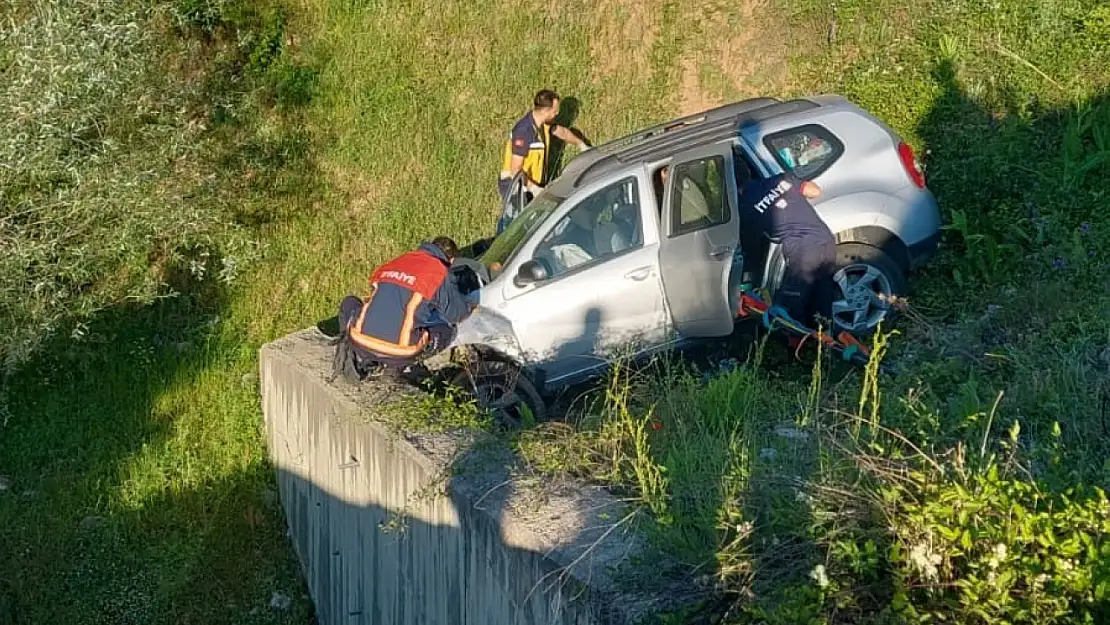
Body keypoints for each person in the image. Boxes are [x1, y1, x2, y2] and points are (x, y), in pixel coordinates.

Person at [335, 236, 475, 381]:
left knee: (349, 302)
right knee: (449, 330)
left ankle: (352, 356)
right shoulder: (440, 271)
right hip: (400, 352)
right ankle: (402, 370)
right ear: (451, 260)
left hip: (359, 341)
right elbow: (456, 314)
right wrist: (470, 305)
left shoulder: (401, 259)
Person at [738, 169, 837, 334]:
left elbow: (752, 250)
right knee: (822, 303)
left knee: (788, 314)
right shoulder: (781, 179)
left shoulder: (746, 209)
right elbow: (815, 191)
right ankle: (833, 343)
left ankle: (802, 350)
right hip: (826, 241)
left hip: (804, 255)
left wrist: (746, 283)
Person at [496, 89, 590, 233]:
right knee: (516, 230)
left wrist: (582, 145)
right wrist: (533, 189)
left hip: (532, 185)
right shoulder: (524, 132)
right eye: (555, 110)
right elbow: (515, 170)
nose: (557, 113)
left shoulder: (543, 124)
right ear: (546, 111)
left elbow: (562, 132)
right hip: (516, 189)